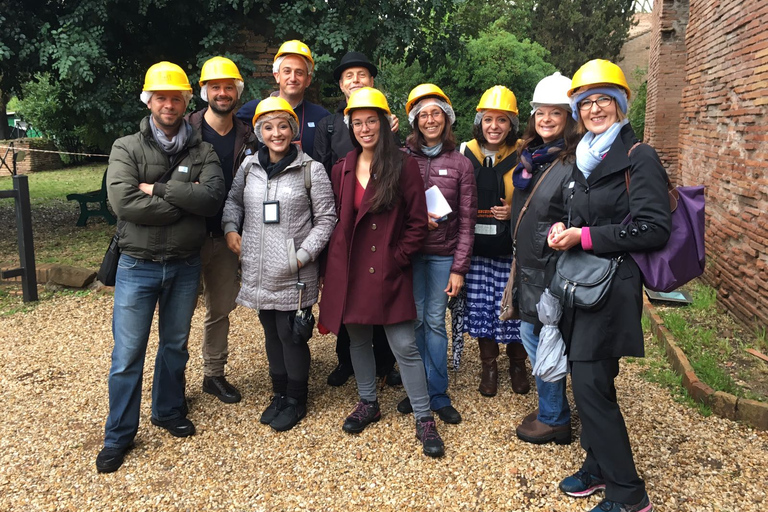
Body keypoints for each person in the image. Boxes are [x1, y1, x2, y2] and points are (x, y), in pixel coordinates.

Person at [549, 59, 670, 512]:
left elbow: (653, 228)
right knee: (597, 383)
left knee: (588, 385)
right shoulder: (586, 156)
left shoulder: (639, 156)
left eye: (604, 99)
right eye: (586, 102)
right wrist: (564, 228)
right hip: (582, 286)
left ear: (620, 105)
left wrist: (584, 236)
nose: (595, 108)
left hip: (614, 288)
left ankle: (629, 495)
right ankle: (597, 467)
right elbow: (584, 215)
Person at [96, 62, 225, 473]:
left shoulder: (202, 149)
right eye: (161, 97)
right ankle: (118, 435)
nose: (169, 104)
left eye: (176, 97)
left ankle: (168, 410)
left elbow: (211, 201)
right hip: (138, 265)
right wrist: (180, 207)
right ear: (148, 100)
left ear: (188, 100)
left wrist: (162, 190)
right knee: (127, 354)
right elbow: (123, 203)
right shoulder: (125, 147)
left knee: (174, 346)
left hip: (185, 266)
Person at [319, 87, 445, 458]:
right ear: (350, 127)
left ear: (384, 123)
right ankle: (367, 402)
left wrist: (397, 258)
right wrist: (331, 270)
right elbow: (338, 221)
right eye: (357, 122)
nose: (364, 128)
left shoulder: (403, 165)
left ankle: (424, 417)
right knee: (358, 341)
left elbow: (417, 224)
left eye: (370, 121)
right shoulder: (341, 168)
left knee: (405, 345)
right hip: (352, 271)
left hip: (388, 269)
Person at [222, 97, 336, 432]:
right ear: (258, 131)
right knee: (271, 330)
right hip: (258, 267)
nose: (276, 133)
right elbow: (232, 201)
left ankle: (297, 399)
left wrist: (304, 254)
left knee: (291, 335)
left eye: (283, 126)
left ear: (293, 130)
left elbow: (327, 219)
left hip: (294, 270)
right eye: (268, 127)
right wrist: (231, 229)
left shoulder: (310, 169)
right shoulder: (248, 167)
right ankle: (279, 393)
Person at [313, 51, 400, 388]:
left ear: (372, 81)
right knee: (348, 295)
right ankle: (345, 361)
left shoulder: (386, 121)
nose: (355, 81)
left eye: (361, 75)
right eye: (348, 76)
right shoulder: (328, 125)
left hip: (379, 221)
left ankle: (384, 362)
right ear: (340, 85)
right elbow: (320, 168)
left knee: (379, 294)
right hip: (343, 217)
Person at [395, 84, 476, 425]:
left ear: (447, 119)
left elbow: (468, 222)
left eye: (436, 114)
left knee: (434, 322)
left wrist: (459, 268)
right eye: (423, 115)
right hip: (411, 254)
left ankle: (438, 393)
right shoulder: (402, 158)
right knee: (412, 321)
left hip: (443, 255)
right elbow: (390, 208)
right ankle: (417, 390)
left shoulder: (461, 164)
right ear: (414, 120)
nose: (430, 120)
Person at [508, 72, 579, 445]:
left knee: (541, 338)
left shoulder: (572, 161)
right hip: (530, 267)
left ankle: (555, 418)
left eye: (555, 113)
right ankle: (551, 406)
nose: (546, 119)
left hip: (550, 269)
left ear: (569, 117)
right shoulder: (533, 159)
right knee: (533, 334)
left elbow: (574, 215)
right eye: (541, 113)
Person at [187, 56, 258, 404]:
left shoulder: (248, 134)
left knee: (220, 309)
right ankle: (172, 382)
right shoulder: (186, 129)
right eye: (216, 87)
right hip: (187, 235)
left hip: (228, 236)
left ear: (237, 91)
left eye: (229, 87)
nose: (223, 93)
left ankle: (213, 375)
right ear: (205, 91)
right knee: (179, 312)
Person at [455, 85, 530, 397]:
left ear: (512, 124)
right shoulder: (464, 151)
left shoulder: (524, 152)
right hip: (475, 250)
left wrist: (513, 212)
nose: (494, 126)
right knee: (482, 308)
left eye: (502, 120)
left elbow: (535, 195)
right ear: (479, 121)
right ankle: (489, 365)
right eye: (488, 120)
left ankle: (517, 363)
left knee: (515, 305)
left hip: (509, 248)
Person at [236, 40, 330, 159]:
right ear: (277, 76)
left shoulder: (321, 116)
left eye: (299, 73)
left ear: (308, 79)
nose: (293, 78)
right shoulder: (252, 111)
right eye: (287, 71)